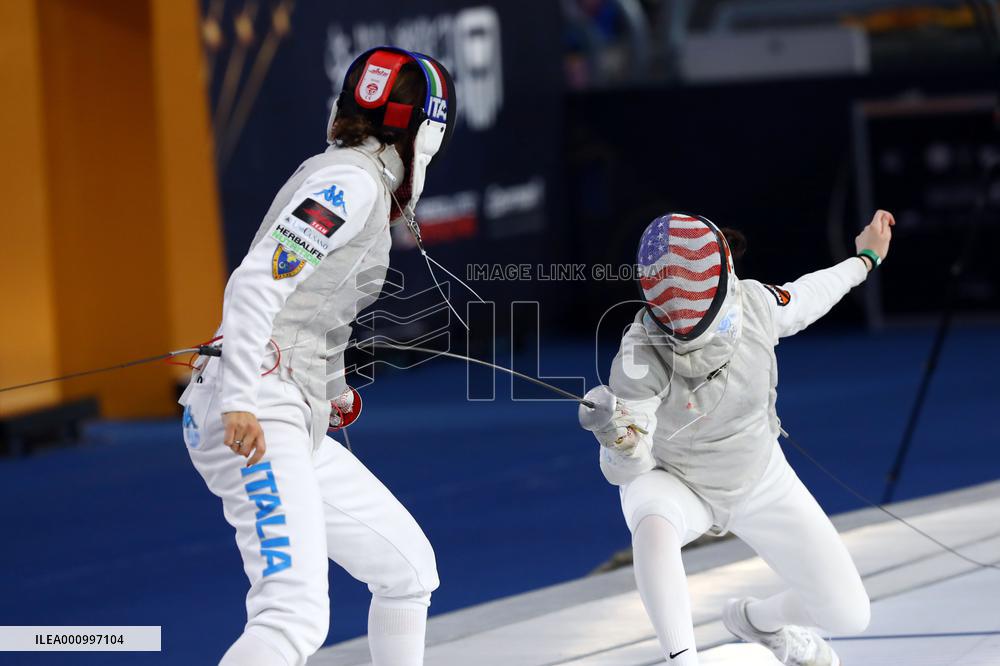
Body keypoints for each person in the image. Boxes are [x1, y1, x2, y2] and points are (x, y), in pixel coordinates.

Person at [178, 47, 456, 666]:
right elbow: (256, 284)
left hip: (284, 406)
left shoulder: (356, 179)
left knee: (409, 567)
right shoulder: (350, 183)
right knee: (292, 616)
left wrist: (332, 395)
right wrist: (241, 398)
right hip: (255, 411)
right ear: (425, 134)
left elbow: (316, 311)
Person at [579, 210, 895, 665]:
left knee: (849, 615)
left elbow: (812, 292)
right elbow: (629, 467)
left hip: (759, 475)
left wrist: (865, 259)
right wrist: (620, 440)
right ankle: (682, 659)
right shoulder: (638, 356)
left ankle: (759, 621)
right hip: (680, 480)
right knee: (653, 524)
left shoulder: (757, 304)